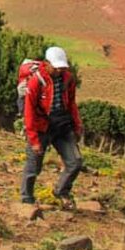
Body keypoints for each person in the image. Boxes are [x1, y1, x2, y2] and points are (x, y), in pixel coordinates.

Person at [21, 45, 83, 205]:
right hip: (41, 127)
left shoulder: (68, 79)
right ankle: (27, 199)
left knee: (75, 162)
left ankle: (61, 191)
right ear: (46, 63)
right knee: (33, 166)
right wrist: (34, 139)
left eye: (61, 67)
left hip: (62, 125)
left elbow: (72, 104)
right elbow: (29, 112)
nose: (59, 70)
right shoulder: (36, 81)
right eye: (56, 67)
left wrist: (77, 126)